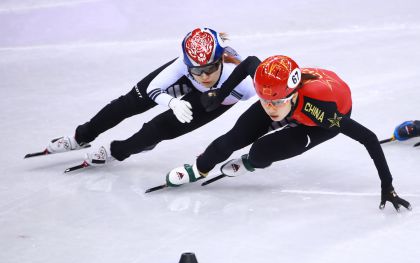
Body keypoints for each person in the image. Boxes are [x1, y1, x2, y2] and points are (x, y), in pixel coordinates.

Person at [165, 55, 412, 212]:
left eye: (276, 103)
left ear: (293, 95)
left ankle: (250, 163)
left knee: (261, 152)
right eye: (265, 101)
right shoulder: (272, 91)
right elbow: (251, 63)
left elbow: (368, 138)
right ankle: (198, 169)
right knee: (233, 138)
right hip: (288, 95)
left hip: (317, 120)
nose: (270, 109)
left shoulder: (321, 112)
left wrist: (387, 185)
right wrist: (220, 94)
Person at [35, 28, 256, 165]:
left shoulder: (246, 86)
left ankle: (116, 151)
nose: (204, 76)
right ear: (187, 63)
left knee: (157, 129)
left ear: (221, 61)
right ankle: (81, 136)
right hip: (187, 83)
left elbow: (267, 109)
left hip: (218, 98)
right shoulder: (184, 64)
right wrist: (171, 102)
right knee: (130, 102)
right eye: (197, 70)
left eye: (210, 68)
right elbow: (153, 89)